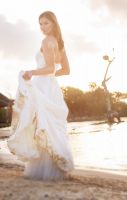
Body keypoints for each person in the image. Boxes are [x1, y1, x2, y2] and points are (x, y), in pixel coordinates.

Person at [7, 11, 74, 181]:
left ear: (53, 23)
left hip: (43, 87)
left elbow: (50, 69)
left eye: (46, 23)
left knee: (40, 124)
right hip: (51, 87)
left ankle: (46, 169)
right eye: (40, 24)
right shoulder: (60, 43)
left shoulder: (46, 41)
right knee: (48, 126)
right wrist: (48, 77)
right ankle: (58, 168)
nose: (43, 27)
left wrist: (32, 72)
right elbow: (65, 70)